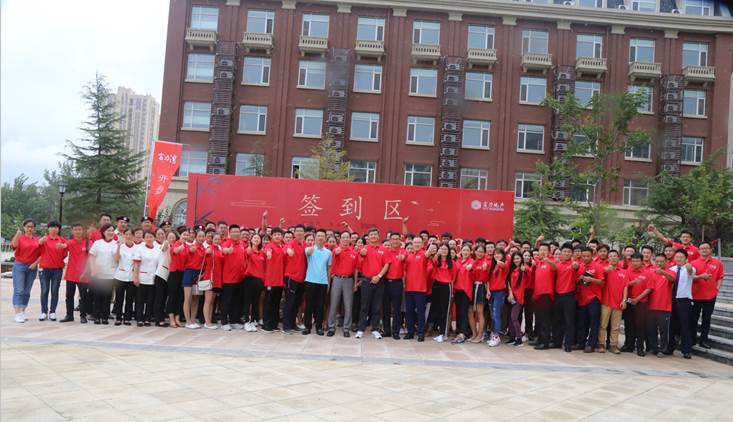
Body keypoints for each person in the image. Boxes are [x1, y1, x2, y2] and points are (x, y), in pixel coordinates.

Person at [355, 228, 390, 340]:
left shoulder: (384, 249)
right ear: (368, 237)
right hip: (366, 281)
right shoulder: (364, 249)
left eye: (375, 234)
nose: (373, 236)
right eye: (371, 234)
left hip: (379, 281)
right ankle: (360, 329)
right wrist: (362, 253)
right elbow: (359, 262)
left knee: (377, 306)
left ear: (378, 236)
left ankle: (375, 329)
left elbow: (387, 264)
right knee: (364, 306)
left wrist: (379, 276)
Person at [690, 241, 724, 349]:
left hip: (710, 296)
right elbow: (690, 277)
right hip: (695, 295)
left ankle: (704, 340)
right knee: (693, 318)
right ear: (699, 250)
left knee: (707, 318)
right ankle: (692, 339)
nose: (704, 250)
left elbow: (720, 277)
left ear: (711, 250)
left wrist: (717, 289)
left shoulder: (718, 263)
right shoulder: (693, 263)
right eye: (702, 248)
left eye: (706, 248)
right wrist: (701, 276)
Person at [666, 249, 697, 359]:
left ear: (686, 259)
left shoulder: (690, 268)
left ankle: (686, 350)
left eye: (681, 257)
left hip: (684, 300)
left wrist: (688, 266)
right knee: (671, 325)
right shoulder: (671, 269)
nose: (678, 259)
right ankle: (669, 348)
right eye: (677, 257)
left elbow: (690, 271)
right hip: (671, 300)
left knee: (685, 325)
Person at [328, 231, 358, 337]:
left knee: (348, 305)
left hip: (349, 280)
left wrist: (355, 283)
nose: (345, 239)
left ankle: (346, 328)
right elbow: (331, 264)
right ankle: (331, 328)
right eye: (343, 237)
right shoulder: (336, 250)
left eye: (347, 237)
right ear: (340, 239)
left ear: (350, 239)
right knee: (334, 304)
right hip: (337, 279)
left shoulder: (354, 253)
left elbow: (356, 269)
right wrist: (336, 253)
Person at [302, 229, 332, 336]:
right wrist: (311, 247)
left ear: (325, 238)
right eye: (318, 236)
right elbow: (306, 253)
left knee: (320, 305)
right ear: (315, 238)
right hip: (310, 280)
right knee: (309, 305)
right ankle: (307, 327)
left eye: (322, 236)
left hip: (322, 282)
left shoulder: (328, 253)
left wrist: (328, 282)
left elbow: (329, 268)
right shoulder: (310, 249)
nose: (320, 238)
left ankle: (319, 327)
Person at [598, 250, 629, 354]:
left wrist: (624, 300)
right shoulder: (604, 269)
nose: (613, 258)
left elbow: (625, 287)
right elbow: (602, 275)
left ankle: (613, 345)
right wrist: (607, 270)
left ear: (618, 258)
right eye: (610, 256)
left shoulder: (624, 272)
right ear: (608, 259)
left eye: (615, 256)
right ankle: (601, 344)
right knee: (603, 325)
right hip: (606, 302)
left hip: (618, 302)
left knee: (616, 326)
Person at [37, 221, 68, 321]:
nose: (53, 229)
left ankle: (53, 312)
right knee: (44, 290)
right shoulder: (44, 239)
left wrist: (64, 246)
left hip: (57, 269)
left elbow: (67, 251)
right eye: (51, 227)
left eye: (56, 227)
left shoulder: (62, 240)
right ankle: (43, 312)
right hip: (44, 269)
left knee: (55, 291)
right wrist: (40, 242)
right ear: (48, 228)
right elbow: (36, 248)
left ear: (59, 229)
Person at [11, 219, 41, 323]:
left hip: (32, 267)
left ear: (34, 229)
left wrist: (35, 263)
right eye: (28, 226)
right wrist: (17, 234)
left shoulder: (37, 240)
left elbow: (41, 254)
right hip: (20, 266)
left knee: (27, 291)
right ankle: (17, 313)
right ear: (24, 227)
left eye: (32, 227)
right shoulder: (20, 238)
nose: (30, 228)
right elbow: (14, 246)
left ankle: (23, 311)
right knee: (19, 290)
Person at [575, 247, 604, 353]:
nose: (585, 258)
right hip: (582, 298)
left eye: (588, 256)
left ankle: (591, 344)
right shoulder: (580, 266)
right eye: (583, 256)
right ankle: (581, 343)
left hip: (594, 298)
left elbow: (602, 282)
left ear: (592, 255)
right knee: (582, 322)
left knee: (594, 323)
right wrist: (579, 279)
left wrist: (592, 279)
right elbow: (575, 281)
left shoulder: (598, 266)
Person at [553, 243, 581, 352]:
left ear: (572, 253)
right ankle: (557, 342)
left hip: (569, 296)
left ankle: (568, 344)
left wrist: (576, 265)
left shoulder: (574, 264)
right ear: (561, 253)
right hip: (557, 296)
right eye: (564, 251)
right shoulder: (557, 265)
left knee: (569, 321)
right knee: (558, 320)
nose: (566, 253)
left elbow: (577, 267)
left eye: (569, 252)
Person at [403, 237, 432, 342]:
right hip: (409, 288)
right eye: (415, 242)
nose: (417, 244)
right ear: (412, 243)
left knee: (420, 312)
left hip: (420, 289)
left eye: (419, 242)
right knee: (409, 312)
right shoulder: (409, 255)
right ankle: (410, 332)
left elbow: (428, 254)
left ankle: (421, 333)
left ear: (422, 244)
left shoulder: (424, 254)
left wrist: (430, 249)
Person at [60, 223, 90, 323]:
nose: (78, 231)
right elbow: (65, 245)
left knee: (83, 296)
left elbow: (90, 259)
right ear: (72, 231)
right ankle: (69, 315)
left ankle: (83, 316)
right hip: (71, 274)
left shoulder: (88, 243)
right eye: (75, 229)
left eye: (80, 229)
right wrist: (61, 246)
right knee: (69, 296)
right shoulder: (70, 242)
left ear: (83, 231)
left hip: (83, 274)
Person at [88, 224, 118, 324]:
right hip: (98, 274)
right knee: (97, 296)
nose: (111, 232)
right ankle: (96, 316)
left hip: (110, 274)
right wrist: (93, 269)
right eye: (108, 230)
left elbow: (117, 259)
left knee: (107, 297)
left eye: (112, 230)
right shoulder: (97, 243)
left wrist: (119, 247)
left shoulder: (116, 244)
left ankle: (105, 317)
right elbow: (92, 257)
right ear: (103, 232)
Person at [646, 254, 675, 357]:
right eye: (657, 261)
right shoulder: (651, 272)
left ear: (666, 262)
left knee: (664, 330)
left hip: (664, 307)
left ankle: (663, 349)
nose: (659, 263)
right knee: (651, 329)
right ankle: (654, 348)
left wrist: (663, 272)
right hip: (651, 306)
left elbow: (673, 279)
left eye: (661, 261)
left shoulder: (670, 272)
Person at [624, 253, 652, 356]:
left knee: (641, 326)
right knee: (628, 325)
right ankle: (628, 345)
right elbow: (624, 284)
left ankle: (640, 348)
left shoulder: (647, 273)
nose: (635, 263)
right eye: (633, 261)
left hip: (641, 303)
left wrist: (637, 299)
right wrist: (632, 283)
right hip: (629, 301)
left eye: (637, 261)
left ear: (642, 261)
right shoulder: (628, 271)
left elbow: (649, 288)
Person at [133, 231, 162, 327]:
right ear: (144, 238)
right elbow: (136, 264)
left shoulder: (158, 250)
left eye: (151, 237)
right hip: (142, 278)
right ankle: (139, 318)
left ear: (154, 238)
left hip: (153, 278)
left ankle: (147, 318)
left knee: (150, 300)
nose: (149, 239)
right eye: (147, 237)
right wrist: (136, 277)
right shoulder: (140, 249)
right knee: (140, 300)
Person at [220, 225, 247, 331]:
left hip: (240, 278)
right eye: (234, 231)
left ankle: (233, 321)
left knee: (236, 301)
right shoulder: (227, 243)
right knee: (227, 301)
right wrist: (226, 250)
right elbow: (222, 250)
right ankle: (224, 322)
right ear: (230, 233)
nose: (236, 233)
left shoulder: (241, 243)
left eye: (237, 231)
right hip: (228, 279)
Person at [282, 225, 307, 334]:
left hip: (301, 279)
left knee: (297, 303)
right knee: (290, 302)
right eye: (297, 231)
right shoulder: (291, 243)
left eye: (301, 231)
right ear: (294, 233)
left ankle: (293, 324)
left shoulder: (305, 245)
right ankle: (286, 326)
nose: (299, 233)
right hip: (291, 278)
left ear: (304, 233)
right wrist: (288, 250)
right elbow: (285, 249)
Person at [429, 243, 455, 343]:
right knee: (438, 310)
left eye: (445, 249)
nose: (444, 251)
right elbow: (433, 260)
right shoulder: (437, 260)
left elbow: (453, 277)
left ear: (448, 251)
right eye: (442, 249)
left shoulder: (452, 263)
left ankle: (444, 334)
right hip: (436, 285)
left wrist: (452, 291)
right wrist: (438, 253)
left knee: (445, 311)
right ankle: (440, 333)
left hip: (446, 286)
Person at [382, 232, 406, 340]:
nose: (395, 241)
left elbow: (406, 257)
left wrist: (403, 257)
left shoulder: (403, 251)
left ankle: (395, 331)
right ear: (390, 240)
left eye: (397, 239)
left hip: (397, 283)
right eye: (393, 239)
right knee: (385, 308)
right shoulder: (385, 251)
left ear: (400, 240)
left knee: (396, 309)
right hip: (385, 282)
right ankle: (387, 331)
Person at [532, 244, 556, 350]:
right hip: (537, 295)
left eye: (544, 250)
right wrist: (538, 242)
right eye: (540, 249)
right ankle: (540, 339)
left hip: (546, 294)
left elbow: (555, 268)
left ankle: (545, 342)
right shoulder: (538, 262)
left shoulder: (551, 261)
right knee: (539, 319)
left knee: (545, 320)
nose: (542, 251)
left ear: (549, 251)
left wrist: (548, 260)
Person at [112, 228, 138, 325]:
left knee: (129, 299)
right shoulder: (120, 246)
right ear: (124, 236)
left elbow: (137, 263)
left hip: (131, 277)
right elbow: (116, 259)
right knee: (119, 299)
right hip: (120, 276)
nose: (128, 236)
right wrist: (118, 248)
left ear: (133, 236)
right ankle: (118, 318)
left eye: (130, 234)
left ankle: (127, 318)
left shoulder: (137, 248)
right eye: (126, 234)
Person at [182, 230, 206, 329]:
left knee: (196, 299)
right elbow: (188, 253)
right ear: (196, 237)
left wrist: (202, 274)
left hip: (198, 275)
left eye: (203, 236)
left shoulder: (204, 249)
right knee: (188, 298)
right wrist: (191, 250)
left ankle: (193, 320)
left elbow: (205, 264)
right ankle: (188, 322)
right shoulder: (191, 247)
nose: (201, 238)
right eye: (199, 236)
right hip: (189, 273)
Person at [263, 227, 285, 332]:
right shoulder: (269, 246)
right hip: (270, 280)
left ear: (282, 236)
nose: (277, 236)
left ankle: (274, 324)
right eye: (275, 234)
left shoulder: (283, 247)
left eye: (279, 234)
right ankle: (267, 324)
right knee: (268, 303)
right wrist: (268, 254)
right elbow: (267, 251)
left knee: (276, 303)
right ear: (271, 236)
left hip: (279, 281)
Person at [452, 244, 475, 344]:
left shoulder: (472, 261)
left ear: (470, 252)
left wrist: (471, 267)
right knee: (458, 311)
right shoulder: (458, 261)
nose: (465, 252)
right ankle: (459, 331)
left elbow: (473, 270)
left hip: (466, 290)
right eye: (463, 250)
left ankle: (463, 333)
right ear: (460, 251)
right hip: (457, 290)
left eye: (467, 250)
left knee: (464, 312)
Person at [200, 233, 223, 330]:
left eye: (218, 239)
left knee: (212, 302)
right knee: (207, 301)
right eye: (215, 239)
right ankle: (207, 322)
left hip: (217, 278)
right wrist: (206, 252)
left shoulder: (219, 249)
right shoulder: (209, 249)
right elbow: (204, 259)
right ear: (212, 240)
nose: (217, 241)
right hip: (210, 277)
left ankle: (209, 320)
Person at [243, 233, 266, 332]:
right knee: (248, 301)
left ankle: (252, 321)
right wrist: (249, 247)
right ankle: (246, 321)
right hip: (249, 279)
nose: (256, 239)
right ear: (251, 240)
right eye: (254, 238)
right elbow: (246, 253)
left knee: (256, 301)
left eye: (258, 238)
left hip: (259, 280)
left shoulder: (262, 253)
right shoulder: (249, 250)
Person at [486, 248, 509, 347]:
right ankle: (493, 335)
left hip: (500, 292)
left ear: (503, 255)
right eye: (495, 254)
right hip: (492, 292)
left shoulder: (504, 264)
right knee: (493, 315)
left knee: (496, 315)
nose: (496, 255)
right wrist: (488, 291)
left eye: (499, 254)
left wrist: (498, 261)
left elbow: (503, 265)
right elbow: (488, 279)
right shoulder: (493, 265)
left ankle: (496, 337)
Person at [153, 231, 176, 326]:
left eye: (173, 237)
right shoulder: (165, 244)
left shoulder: (175, 247)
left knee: (164, 298)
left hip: (169, 275)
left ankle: (161, 317)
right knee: (160, 297)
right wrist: (166, 242)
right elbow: (163, 248)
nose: (172, 239)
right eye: (170, 237)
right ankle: (158, 319)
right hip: (161, 275)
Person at [167, 230, 188, 328]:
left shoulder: (187, 246)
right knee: (172, 296)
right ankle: (171, 318)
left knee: (180, 296)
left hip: (183, 273)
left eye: (187, 235)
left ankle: (177, 318)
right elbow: (175, 251)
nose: (185, 236)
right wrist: (181, 246)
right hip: (174, 272)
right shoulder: (176, 244)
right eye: (184, 234)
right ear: (180, 235)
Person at [469, 245, 489, 343]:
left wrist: (487, 290)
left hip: (480, 287)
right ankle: (474, 333)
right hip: (471, 287)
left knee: (479, 312)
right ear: (475, 252)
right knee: (470, 311)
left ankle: (480, 335)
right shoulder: (473, 262)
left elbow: (487, 278)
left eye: (482, 252)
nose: (480, 253)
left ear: (484, 253)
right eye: (478, 251)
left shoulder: (485, 262)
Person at [507, 252, 527, 346]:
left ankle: (519, 339)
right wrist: (510, 293)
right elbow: (509, 283)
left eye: (518, 258)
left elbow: (528, 277)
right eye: (514, 259)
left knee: (514, 318)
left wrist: (524, 270)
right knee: (511, 319)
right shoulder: (513, 270)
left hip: (519, 297)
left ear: (521, 259)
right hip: (512, 297)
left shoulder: (524, 270)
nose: (516, 260)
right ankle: (512, 337)